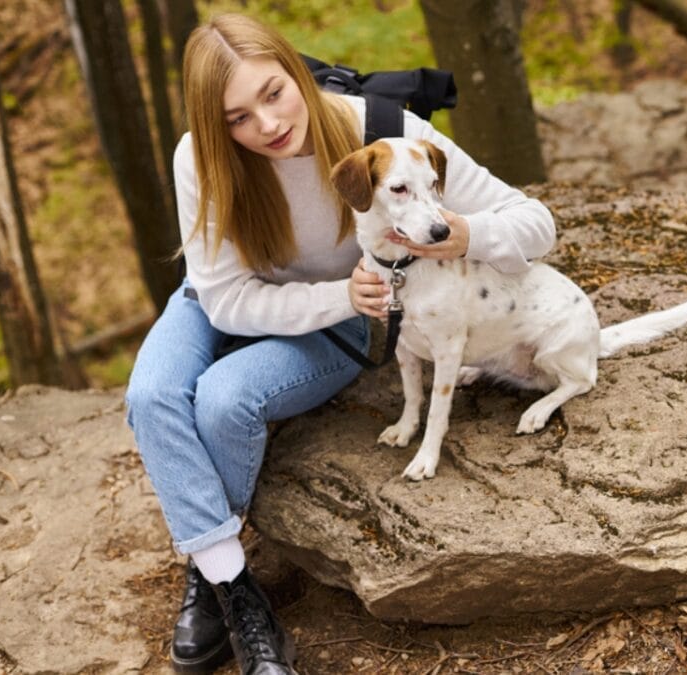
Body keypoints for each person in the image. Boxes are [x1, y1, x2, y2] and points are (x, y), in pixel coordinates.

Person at [124, 13, 554, 674]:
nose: (266, 125)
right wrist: (337, 292)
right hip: (237, 299)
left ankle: (207, 557)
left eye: (273, 92)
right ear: (217, 128)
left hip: (347, 318)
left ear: (295, 70)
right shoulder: (198, 158)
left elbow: (536, 222)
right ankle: (230, 586)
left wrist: (461, 234)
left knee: (224, 399)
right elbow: (224, 296)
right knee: (151, 393)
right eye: (238, 117)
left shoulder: (383, 134)